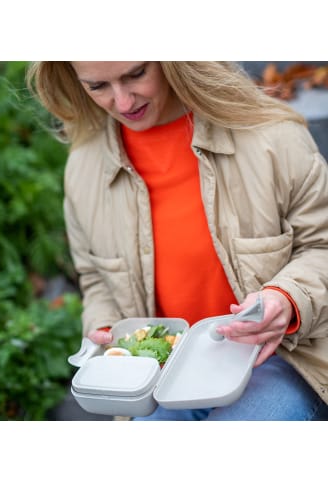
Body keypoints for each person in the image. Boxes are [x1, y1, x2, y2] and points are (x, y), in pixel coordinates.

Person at [27, 61, 328, 420]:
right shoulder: (84, 169)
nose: (123, 103)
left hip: (285, 357)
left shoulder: (271, 136)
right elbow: (95, 277)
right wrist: (107, 330)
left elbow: (321, 244)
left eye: (136, 75)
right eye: (97, 86)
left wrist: (288, 299)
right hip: (166, 374)